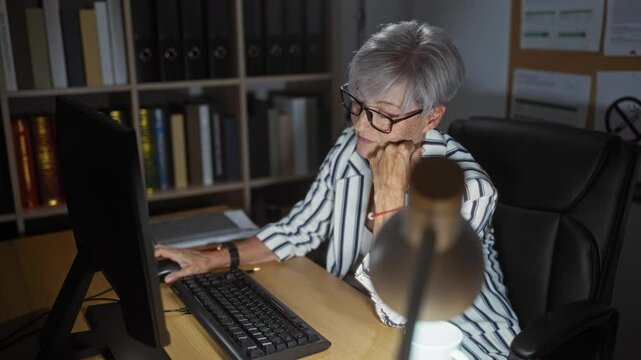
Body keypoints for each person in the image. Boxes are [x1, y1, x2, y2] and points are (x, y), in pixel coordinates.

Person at [155, 20, 521, 359]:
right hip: (360, 314)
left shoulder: (469, 191)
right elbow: (299, 229)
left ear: (432, 117)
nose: (361, 122)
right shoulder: (354, 144)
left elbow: (402, 310)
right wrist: (211, 259)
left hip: (459, 343)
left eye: (383, 112)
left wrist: (390, 192)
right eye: (358, 103)